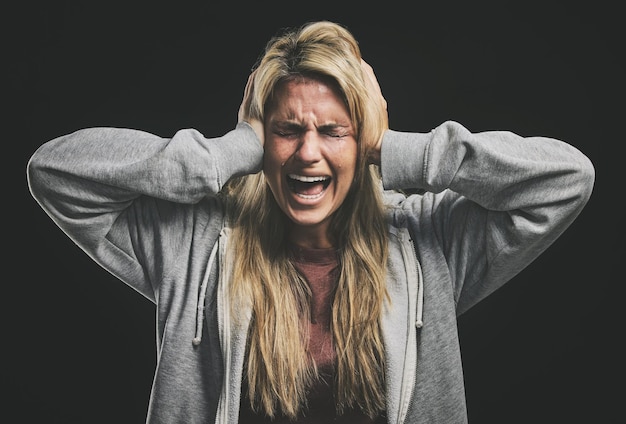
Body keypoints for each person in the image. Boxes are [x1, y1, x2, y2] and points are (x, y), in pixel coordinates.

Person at [27, 20, 594, 424]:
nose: (307, 154)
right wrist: (219, 156)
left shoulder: (430, 242)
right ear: (259, 139)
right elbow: (56, 171)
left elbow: (565, 179)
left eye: (333, 131)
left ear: (363, 140)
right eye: (286, 130)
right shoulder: (195, 244)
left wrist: (399, 150)